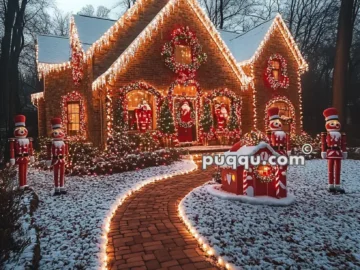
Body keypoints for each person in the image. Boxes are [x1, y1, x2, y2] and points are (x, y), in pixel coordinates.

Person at [321, 107, 347, 193]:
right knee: (330, 169)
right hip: (330, 152)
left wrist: (344, 152)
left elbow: (343, 144)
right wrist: (323, 151)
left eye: (337, 123)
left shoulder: (341, 134)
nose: (335, 125)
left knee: (338, 170)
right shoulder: (326, 134)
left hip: (338, 152)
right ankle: (331, 185)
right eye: (332, 123)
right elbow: (324, 144)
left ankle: (337, 185)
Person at [9, 115, 34, 188]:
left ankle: (25, 183)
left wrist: (31, 155)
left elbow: (30, 148)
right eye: (19, 128)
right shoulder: (14, 141)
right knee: (21, 171)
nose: (22, 130)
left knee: (25, 171)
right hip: (19, 158)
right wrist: (12, 157)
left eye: (23, 128)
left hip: (26, 157)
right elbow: (12, 149)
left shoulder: (27, 140)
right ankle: (21, 184)